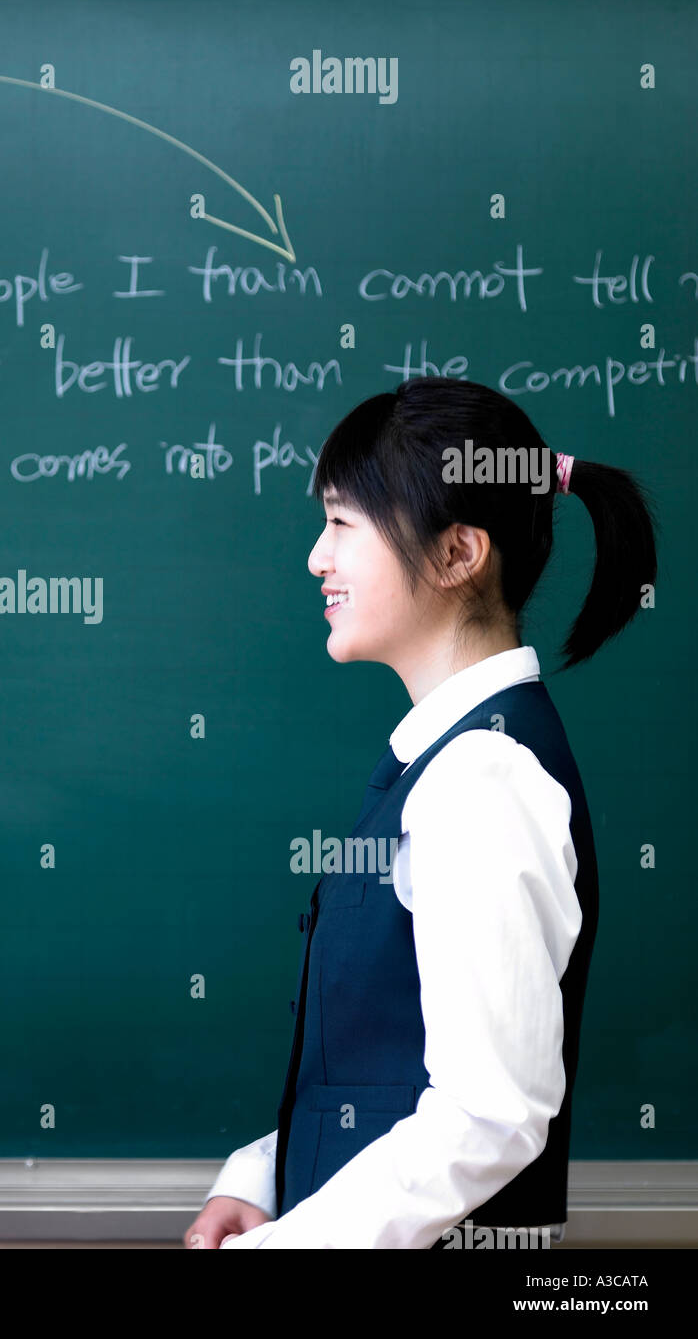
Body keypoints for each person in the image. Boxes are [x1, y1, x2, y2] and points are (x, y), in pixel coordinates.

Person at [185, 377, 658, 1249]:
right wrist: (266, 1179)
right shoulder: (445, 762)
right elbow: (384, 1056)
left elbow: (490, 1115)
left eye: (341, 524)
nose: (316, 559)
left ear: (456, 555)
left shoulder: (483, 778)